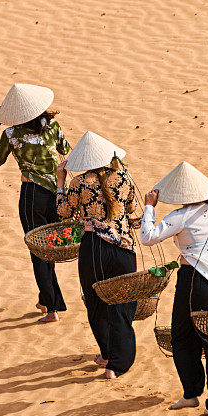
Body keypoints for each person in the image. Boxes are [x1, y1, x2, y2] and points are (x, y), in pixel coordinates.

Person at [140, 161, 208, 416]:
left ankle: (192, 393)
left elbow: (147, 237)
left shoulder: (181, 216)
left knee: (183, 336)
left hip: (194, 280)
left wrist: (149, 207)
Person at [56, 131, 139, 380]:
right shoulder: (124, 177)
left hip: (94, 250)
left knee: (96, 301)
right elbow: (133, 209)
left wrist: (60, 182)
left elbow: (63, 212)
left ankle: (106, 354)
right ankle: (118, 363)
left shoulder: (78, 182)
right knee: (122, 303)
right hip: (123, 247)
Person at [0, 83, 71, 324]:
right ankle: (46, 299)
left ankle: (51, 308)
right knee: (49, 249)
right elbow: (65, 149)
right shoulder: (53, 126)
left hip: (32, 196)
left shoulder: (11, 135)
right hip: (57, 194)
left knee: (39, 252)